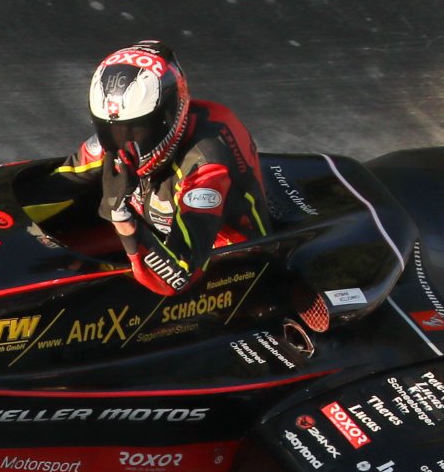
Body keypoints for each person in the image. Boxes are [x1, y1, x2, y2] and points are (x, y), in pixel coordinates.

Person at [25, 40, 271, 295]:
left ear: (169, 115)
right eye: (109, 129)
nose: (123, 144)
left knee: (81, 291)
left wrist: (122, 219)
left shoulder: (205, 169)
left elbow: (179, 278)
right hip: (152, 229)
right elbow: (56, 184)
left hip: (221, 266)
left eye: (137, 130)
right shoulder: (116, 144)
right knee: (51, 254)